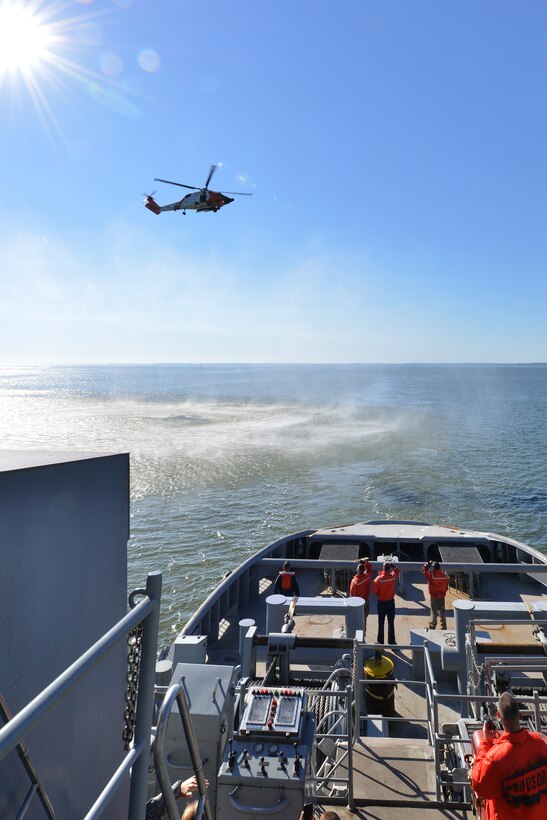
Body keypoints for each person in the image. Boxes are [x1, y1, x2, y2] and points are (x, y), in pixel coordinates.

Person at [471, 691, 547, 819]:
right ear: (520, 715)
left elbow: (479, 785)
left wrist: (486, 742)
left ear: (499, 716)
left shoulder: (495, 759)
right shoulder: (541, 743)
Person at [372, 561, 400, 645]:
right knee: (391, 623)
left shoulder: (378, 579)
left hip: (381, 603)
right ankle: (391, 642)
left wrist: (379, 594)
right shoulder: (393, 577)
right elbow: (397, 571)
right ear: (389, 569)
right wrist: (393, 565)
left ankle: (380, 643)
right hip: (391, 602)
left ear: (383, 569)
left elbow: (374, 591)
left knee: (381, 624)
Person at [421, 559, 449, 629]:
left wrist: (427, 564)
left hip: (434, 596)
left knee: (434, 612)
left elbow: (423, 571)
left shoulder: (432, 575)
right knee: (442, 611)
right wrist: (444, 592)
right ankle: (444, 627)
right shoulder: (444, 575)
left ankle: (433, 626)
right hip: (442, 596)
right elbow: (446, 585)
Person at [350, 559, 372, 636]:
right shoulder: (367, 577)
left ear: (358, 570)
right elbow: (369, 568)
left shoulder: (354, 582)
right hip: (365, 601)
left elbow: (352, 596)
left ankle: (357, 634)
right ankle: (363, 633)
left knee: (356, 619)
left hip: (357, 603)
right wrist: (364, 562)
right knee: (364, 619)